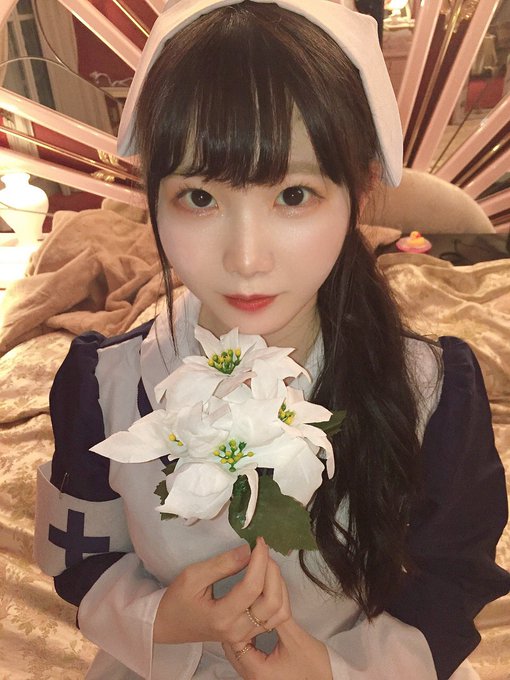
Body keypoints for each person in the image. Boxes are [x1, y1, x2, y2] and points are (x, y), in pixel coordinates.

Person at [34, 1, 510, 679]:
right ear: (152, 197)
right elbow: (81, 555)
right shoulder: (103, 387)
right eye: (200, 197)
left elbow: (453, 580)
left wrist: (327, 671)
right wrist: (161, 618)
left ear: (358, 191)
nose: (247, 259)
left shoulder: (432, 395)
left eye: (293, 195)